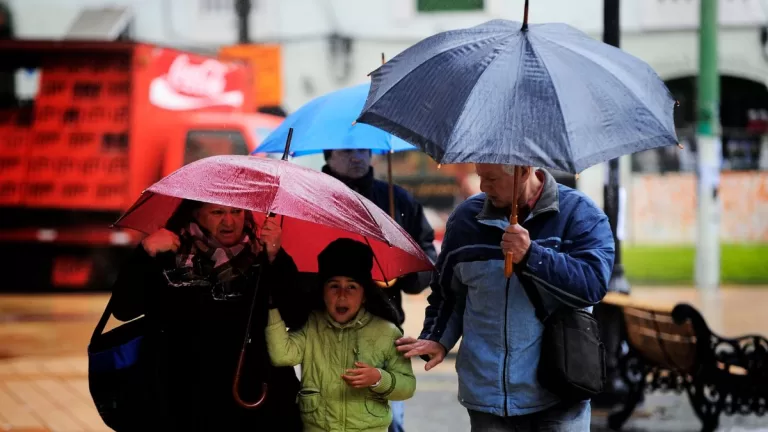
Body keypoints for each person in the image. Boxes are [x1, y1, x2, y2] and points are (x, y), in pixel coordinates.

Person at [396, 165, 615, 432]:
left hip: (561, 390)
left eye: (491, 178)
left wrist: (532, 256)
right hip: (487, 397)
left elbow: (592, 286)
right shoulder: (465, 219)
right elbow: (447, 293)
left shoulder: (581, 214)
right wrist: (437, 338)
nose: (483, 187)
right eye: (480, 176)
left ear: (523, 171)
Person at [110, 200, 307, 431]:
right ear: (195, 213)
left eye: (237, 211)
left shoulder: (262, 255)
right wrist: (145, 253)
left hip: (251, 401)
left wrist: (277, 258)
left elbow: (297, 317)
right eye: (217, 212)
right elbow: (123, 308)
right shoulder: (170, 253)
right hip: (183, 401)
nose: (229, 221)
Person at [322, 148, 437, 432]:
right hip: (323, 332)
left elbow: (427, 260)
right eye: (347, 150)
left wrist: (401, 273)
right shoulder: (312, 198)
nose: (357, 156)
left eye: (363, 149)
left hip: (383, 327)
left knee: (389, 420)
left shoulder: (397, 200)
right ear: (328, 154)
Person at [265, 238, 416, 432]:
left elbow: (408, 386)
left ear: (364, 296)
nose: (342, 295)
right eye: (334, 286)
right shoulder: (312, 325)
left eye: (352, 286)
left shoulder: (387, 332)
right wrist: (271, 306)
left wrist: (378, 378)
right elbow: (281, 355)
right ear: (323, 292)